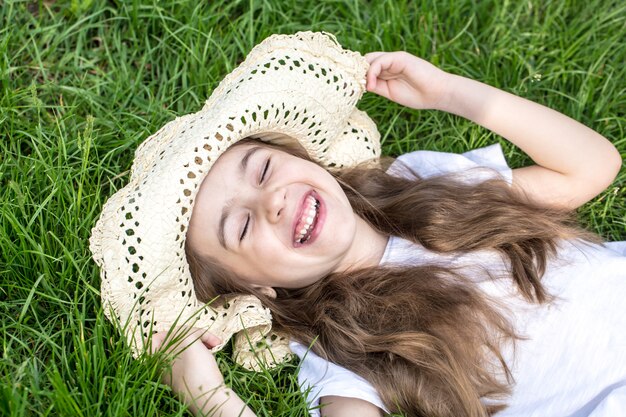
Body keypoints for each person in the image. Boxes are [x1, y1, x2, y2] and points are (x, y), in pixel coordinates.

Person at [148, 50, 625, 417]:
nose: (271, 200)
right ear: (255, 288)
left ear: (304, 158)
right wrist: (208, 395)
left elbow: (592, 167)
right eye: (243, 225)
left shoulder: (420, 182)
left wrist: (448, 93)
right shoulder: (339, 354)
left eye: (264, 169)